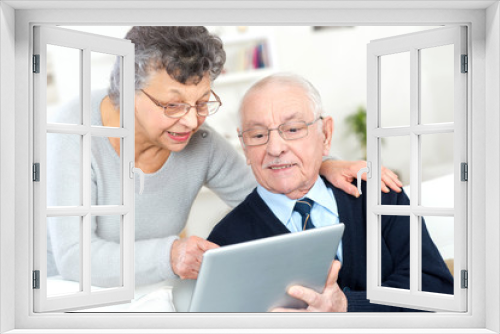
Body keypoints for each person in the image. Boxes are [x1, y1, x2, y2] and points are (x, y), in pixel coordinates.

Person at [47, 26, 402, 288]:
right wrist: (170, 255)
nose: (190, 120)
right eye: (173, 105)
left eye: (202, 102)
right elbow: (73, 258)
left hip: (150, 292)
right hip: (65, 294)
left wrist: (323, 162)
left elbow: (269, 184)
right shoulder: (73, 129)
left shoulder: (200, 143)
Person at [207, 73, 454, 312]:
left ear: (325, 134)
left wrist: (346, 307)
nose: (275, 148)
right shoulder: (226, 241)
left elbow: (434, 288)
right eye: (258, 135)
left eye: (292, 129)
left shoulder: (378, 194)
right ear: (244, 146)